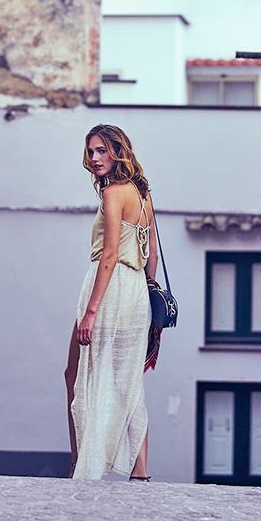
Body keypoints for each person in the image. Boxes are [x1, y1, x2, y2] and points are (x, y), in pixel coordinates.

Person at [64, 124, 157, 481]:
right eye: (90, 151)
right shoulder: (143, 191)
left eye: (102, 150)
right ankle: (140, 473)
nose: (94, 158)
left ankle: (83, 465)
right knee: (128, 381)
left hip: (112, 287)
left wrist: (90, 312)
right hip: (135, 291)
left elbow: (110, 254)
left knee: (78, 373)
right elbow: (151, 255)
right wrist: (149, 297)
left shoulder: (114, 193)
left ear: (119, 151)